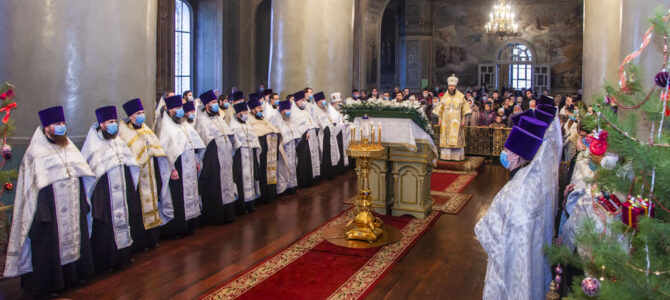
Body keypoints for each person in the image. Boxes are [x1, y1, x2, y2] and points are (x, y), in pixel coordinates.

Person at [5, 106, 95, 296]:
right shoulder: (35, 152)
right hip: (48, 211)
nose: (61, 127)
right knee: (49, 246)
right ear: (46, 127)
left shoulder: (68, 145)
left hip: (72, 205)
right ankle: (49, 284)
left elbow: (81, 172)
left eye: (63, 123)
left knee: (75, 240)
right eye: (57, 124)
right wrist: (42, 213)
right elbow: (33, 186)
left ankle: (72, 277)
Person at [81, 106, 141, 273]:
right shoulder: (93, 145)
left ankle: (123, 257)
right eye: (110, 122)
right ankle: (106, 262)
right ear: (101, 124)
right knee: (105, 229)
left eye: (115, 121)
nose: (114, 124)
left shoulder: (118, 141)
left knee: (124, 222)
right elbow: (92, 173)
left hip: (121, 189)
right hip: (104, 195)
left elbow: (129, 163)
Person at [118, 98, 170, 251]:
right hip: (137, 176)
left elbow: (155, 147)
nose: (141, 116)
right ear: (130, 116)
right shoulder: (124, 132)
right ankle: (140, 242)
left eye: (142, 112)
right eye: (138, 113)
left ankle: (152, 239)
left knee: (152, 205)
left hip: (151, 172)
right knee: (138, 209)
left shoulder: (145, 128)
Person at [158, 95, 206, 238]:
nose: (180, 110)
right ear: (169, 110)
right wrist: (171, 168)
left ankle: (190, 225)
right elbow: (165, 151)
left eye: (180, 107)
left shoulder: (184, 124)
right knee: (178, 197)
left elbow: (195, 143)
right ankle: (178, 228)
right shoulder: (166, 127)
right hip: (178, 167)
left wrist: (197, 160)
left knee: (191, 191)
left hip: (190, 163)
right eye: (177, 108)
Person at [194, 90, 238, 225]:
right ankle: (215, 216)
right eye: (213, 103)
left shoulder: (219, 118)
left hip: (225, 157)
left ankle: (228, 214)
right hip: (212, 159)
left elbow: (229, 134)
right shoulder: (201, 120)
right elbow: (202, 140)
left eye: (215, 103)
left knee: (227, 184)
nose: (215, 105)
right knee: (215, 186)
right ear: (206, 105)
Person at [247, 92, 286, 204]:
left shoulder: (263, 118)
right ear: (253, 109)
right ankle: (264, 196)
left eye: (261, 107)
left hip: (270, 151)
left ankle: (271, 194)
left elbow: (272, 129)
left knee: (272, 172)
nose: (261, 109)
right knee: (263, 174)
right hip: (262, 153)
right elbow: (257, 133)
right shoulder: (250, 120)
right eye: (258, 107)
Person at [229, 98, 262, 213]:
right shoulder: (233, 125)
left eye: (247, 112)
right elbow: (234, 141)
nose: (246, 115)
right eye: (244, 113)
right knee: (241, 180)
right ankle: (241, 206)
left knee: (251, 178)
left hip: (250, 154)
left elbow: (254, 138)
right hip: (240, 156)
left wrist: (253, 146)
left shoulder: (248, 124)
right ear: (238, 114)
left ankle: (250, 203)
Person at [433, 74, 471, 161]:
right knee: (446, 139)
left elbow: (465, 109)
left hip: (456, 122)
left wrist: (463, 120)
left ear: (455, 86)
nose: (451, 87)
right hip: (446, 122)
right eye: (450, 86)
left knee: (456, 139)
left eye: (453, 86)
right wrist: (439, 119)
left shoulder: (461, 96)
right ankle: (446, 156)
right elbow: (440, 109)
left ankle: (457, 157)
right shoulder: (444, 97)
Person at [291, 90, 321, 188]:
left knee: (311, 160)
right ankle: (304, 182)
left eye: (305, 99)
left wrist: (314, 130)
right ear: (297, 102)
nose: (304, 102)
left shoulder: (305, 110)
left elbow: (311, 122)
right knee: (304, 161)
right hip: (303, 141)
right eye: (302, 100)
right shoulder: (294, 112)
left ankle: (312, 179)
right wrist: (304, 133)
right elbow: (296, 126)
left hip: (311, 139)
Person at [273, 98, 299, 195]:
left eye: (289, 110)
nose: (288, 112)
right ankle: (283, 188)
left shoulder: (289, 119)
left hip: (291, 147)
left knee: (292, 165)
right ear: (281, 111)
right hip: (283, 149)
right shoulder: (277, 121)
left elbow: (294, 130)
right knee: (283, 168)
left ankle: (292, 186)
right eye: (286, 110)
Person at [312, 92, 340, 180]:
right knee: (325, 154)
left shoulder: (325, 108)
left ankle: (331, 172)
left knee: (331, 153)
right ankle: (325, 173)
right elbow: (317, 123)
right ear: (317, 102)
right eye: (322, 100)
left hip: (330, 134)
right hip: (322, 135)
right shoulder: (315, 110)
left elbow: (329, 119)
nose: (324, 102)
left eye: (324, 99)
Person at [329, 92, 350, 174]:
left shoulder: (339, 111)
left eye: (340, 102)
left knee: (342, 149)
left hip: (341, 134)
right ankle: (338, 168)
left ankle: (342, 167)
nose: (340, 104)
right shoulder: (331, 112)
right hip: (336, 135)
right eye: (339, 102)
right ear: (334, 103)